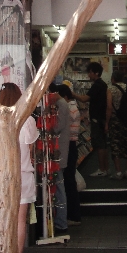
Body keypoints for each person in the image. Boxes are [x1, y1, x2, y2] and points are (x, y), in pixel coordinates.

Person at [0, 82, 39, 253]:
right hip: (23, 174)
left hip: (0, 174)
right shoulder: (27, 120)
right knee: (20, 222)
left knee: (0, 219)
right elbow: (31, 146)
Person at [74, 62, 109, 177]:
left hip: (97, 119)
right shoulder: (103, 85)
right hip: (101, 118)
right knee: (102, 144)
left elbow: (84, 99)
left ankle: (102, 169)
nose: (89, 75)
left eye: (90, 72)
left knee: (99, 145)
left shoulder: (97, 85)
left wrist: (71, 93)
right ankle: (104, 168)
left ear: (96, 73)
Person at [57, 84, 82, 226]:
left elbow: (60, 126)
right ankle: (73, 214)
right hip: (72, 145)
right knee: (69, 180)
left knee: (68, 181)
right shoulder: (74, 106)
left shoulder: (68, 107)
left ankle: (73, 215)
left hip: (69, 145)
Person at [48, 84, 71, 235]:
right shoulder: (60, 104)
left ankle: (61, 222)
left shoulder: (61, 105)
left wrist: (46, 128)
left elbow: (58, 126)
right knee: (58, 186)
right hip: (58, 151)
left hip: (59, 152)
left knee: (59, 187)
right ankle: (59, 221)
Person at [107, 71, 127, 179]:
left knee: (115, 145)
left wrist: (106, 122)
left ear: (113, 78)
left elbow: (109, 107)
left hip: (116, 121)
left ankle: (118, 172)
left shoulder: (111, 89)